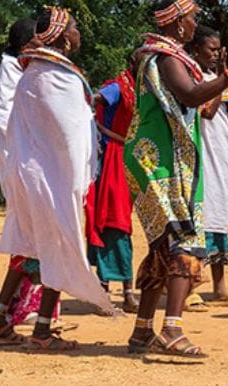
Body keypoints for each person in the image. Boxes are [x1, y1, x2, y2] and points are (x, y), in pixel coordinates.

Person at [125, 0, 228, 356]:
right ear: (177, 23)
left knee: (163, 245)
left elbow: (206, 107)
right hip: (156, 161)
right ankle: (172, 329)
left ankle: (143, 332)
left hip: (163, 159)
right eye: (191, 18)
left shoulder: (170, 57)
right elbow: (191, 97)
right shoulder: (166, 57)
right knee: (183, 241)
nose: (193, 23)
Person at [0, 7, 113, 351]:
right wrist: (77, 182)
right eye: (74, 28)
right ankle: (42, 331)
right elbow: (70, 137)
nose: (78, 34)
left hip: (32, 175)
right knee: (58, 243)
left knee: (30, 247)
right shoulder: (56, 76)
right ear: (60, 35)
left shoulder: (34, 73)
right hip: (52, 178)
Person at [0, 18, 48, 344]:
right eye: (41, 40)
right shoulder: (11, 71)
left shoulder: (24, 69)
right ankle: (41, 327)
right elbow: (7, 119)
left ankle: (1, 315)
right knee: (41, 243)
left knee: (34, 243)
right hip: (24, 167)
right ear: (27, 44)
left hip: (31, 166)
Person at [188, 26, 228, 307]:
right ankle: (188, 287)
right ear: (196, 49)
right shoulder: (191, 77)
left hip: (223, 154)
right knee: (200, 219)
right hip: (202, 156)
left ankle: (220, 286)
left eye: (218, 50)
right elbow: (207, 111)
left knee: (219, 220)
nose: (215, 54)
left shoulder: (217, 78)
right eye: (211, 49)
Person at [85, 53, 139, 313]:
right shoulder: (119, 87)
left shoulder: (144, 89)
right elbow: (93, 99)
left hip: (129, 157)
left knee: (122, 222)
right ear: (132, 64)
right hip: (110, 157)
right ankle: (110, 291)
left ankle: (122, 290)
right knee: (112, 220)